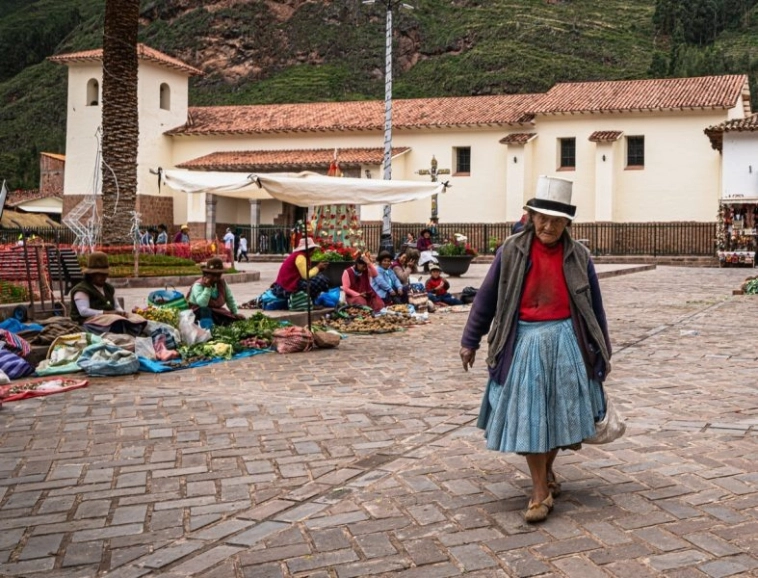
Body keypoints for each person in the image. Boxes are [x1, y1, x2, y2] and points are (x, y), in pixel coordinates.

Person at [459, 175, 612, 524]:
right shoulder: (511, 251)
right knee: (529, 417)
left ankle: (547, 473)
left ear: (567, 223)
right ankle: (539, 491)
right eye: (541, 217)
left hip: (567, 341)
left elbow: (594, 308)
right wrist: (471, 339)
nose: (548, 225)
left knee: (561, 415)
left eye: (556, 220)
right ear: (529, 216)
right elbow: (486, 299)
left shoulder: (578, 255)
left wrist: (602, 350)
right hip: (523, 342)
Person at [70, 252, 147, 336]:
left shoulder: (109, 288)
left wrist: (122, 313)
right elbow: (83, 311)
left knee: (137, 319)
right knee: (116, 321)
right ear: (92, 275)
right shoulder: (82, 289)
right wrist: (106, 312)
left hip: (110, 318)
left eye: (105, 274)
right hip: (90, 322)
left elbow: (117, 306)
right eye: (99, 275)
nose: (103, 277)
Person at [187, 257, 244, 327]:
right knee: (205, 310)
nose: (216, 278)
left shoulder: (221, 283)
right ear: (206, 274)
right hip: (199, 313)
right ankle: (207, 331)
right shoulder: (198, 285)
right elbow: (202, 304)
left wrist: (235, 313)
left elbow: (229, 298)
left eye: (218, 275)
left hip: (215, 312)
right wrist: (207, 288)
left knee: (233, 319)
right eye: (213, 275)